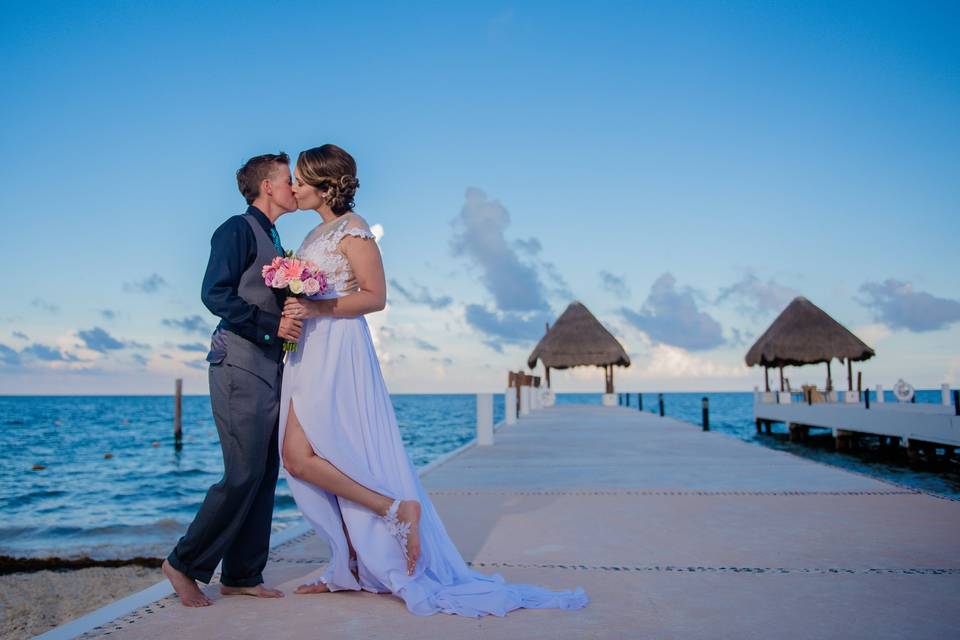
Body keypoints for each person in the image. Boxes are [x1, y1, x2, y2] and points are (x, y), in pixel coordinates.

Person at [279, 144, 588, 616]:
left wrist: (316, 306)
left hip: (339, 349)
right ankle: (354, 557)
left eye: (300, 180)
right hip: (310, 348)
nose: (293, 187)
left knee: (316, 453)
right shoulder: (313, 234)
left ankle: (390, 515)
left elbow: (375, 297)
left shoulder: (355, 231)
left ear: (324, 185)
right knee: (304, 455)